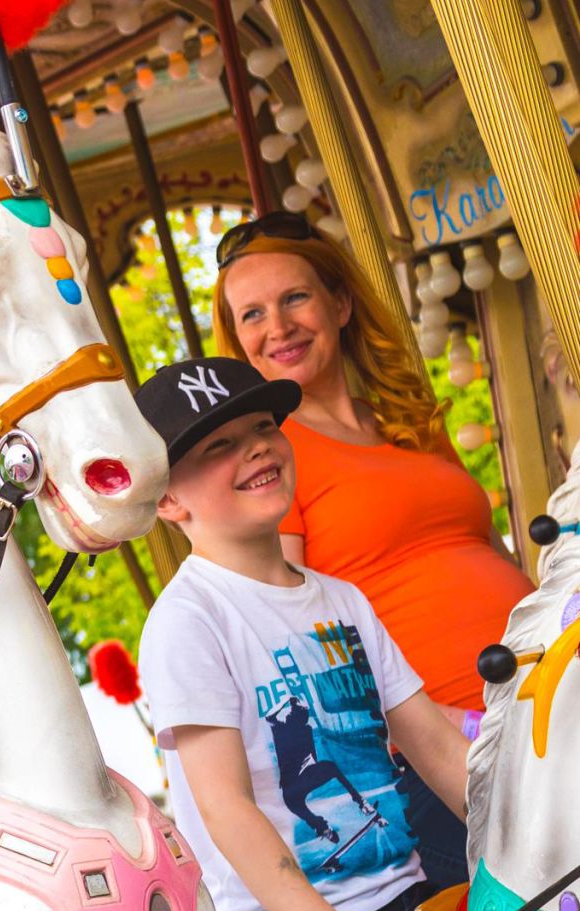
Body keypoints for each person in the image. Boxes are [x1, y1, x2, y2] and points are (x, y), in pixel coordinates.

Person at [210, 214, 534, 886]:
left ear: (341, 302)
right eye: (253, 314)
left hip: (541, 688)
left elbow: (483, 550)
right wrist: (421, 720)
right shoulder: (272, 457)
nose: (279, 326)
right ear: (237, 339)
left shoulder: (407, 422)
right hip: (444, 736)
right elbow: (285, 621)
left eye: (295, 297)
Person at [135, 356, 469, 911]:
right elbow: (227, 807)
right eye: (218, 446)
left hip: (410, 891)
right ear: (167, 498)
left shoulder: (343, 600)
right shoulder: (189, 619)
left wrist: (533, 838)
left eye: (263, 427)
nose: (257, 447)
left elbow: (435, 747)